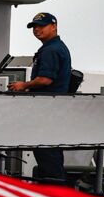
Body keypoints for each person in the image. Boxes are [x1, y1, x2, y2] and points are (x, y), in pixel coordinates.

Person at [9, 11, 72, 183]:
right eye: (34, 27)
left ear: (54, 26)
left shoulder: (51, 50)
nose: (37, 30)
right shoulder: (56, 47)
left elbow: (45, 79)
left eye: (41, 26)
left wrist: (24, 85)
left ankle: (55, 196)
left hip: (47, 112)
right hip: (53, 111)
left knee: (48, 158)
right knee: (51, 156)